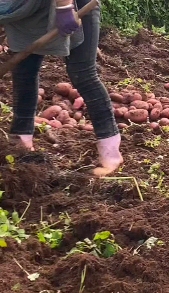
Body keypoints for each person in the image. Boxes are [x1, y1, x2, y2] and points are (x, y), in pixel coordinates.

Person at [0, 0, 123, 177]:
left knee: (83, 74)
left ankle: (111, 154)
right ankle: (21, 143)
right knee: (24, 72)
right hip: (25, 12)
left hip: (74, 5)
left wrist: (64, 8)